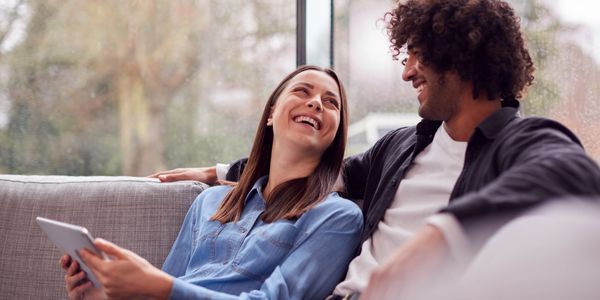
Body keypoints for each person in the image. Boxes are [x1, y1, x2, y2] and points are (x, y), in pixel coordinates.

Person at [152, 0, 600, 298]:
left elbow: (576, 177)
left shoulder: (522, 140)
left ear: (460, 54)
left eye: (415, 55)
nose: (407, 73)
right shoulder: (404, 145)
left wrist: (442, 235)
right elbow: (323, 170)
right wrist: (222, 172)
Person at [59, 65, 363, 300]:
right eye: (302, 91)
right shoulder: (210, 201)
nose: (315, 104)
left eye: (330, 102)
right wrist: (101, 294)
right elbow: (170, 286)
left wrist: (158, 286)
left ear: (336, 133)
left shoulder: (337, 218)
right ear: (271, 114)